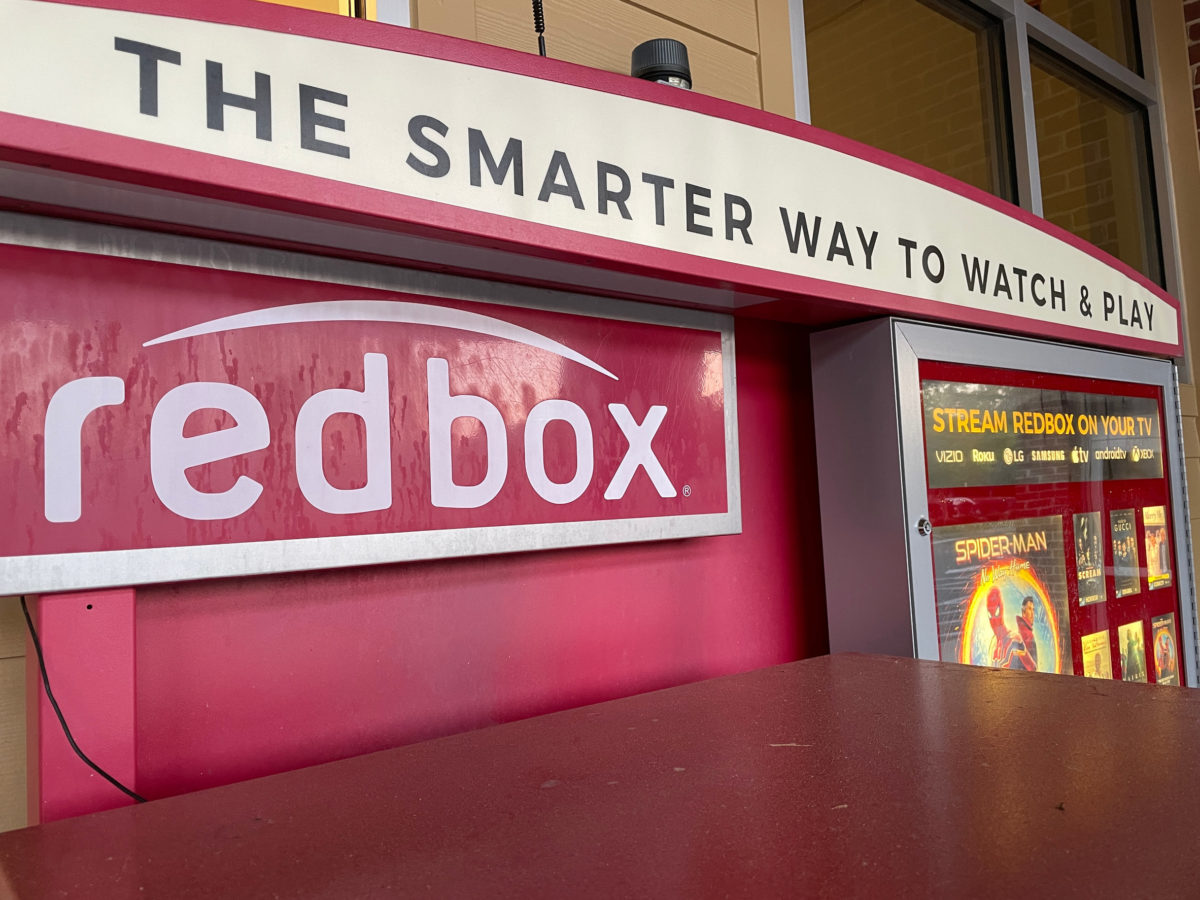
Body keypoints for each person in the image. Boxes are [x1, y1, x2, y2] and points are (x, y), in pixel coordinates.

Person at [986, 588, 1037, 672]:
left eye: (996, 612)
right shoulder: (993, 643)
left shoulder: (1014, 639)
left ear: (1001, 609)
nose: (994, 620)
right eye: (989, 615)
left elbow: (1033, 668)